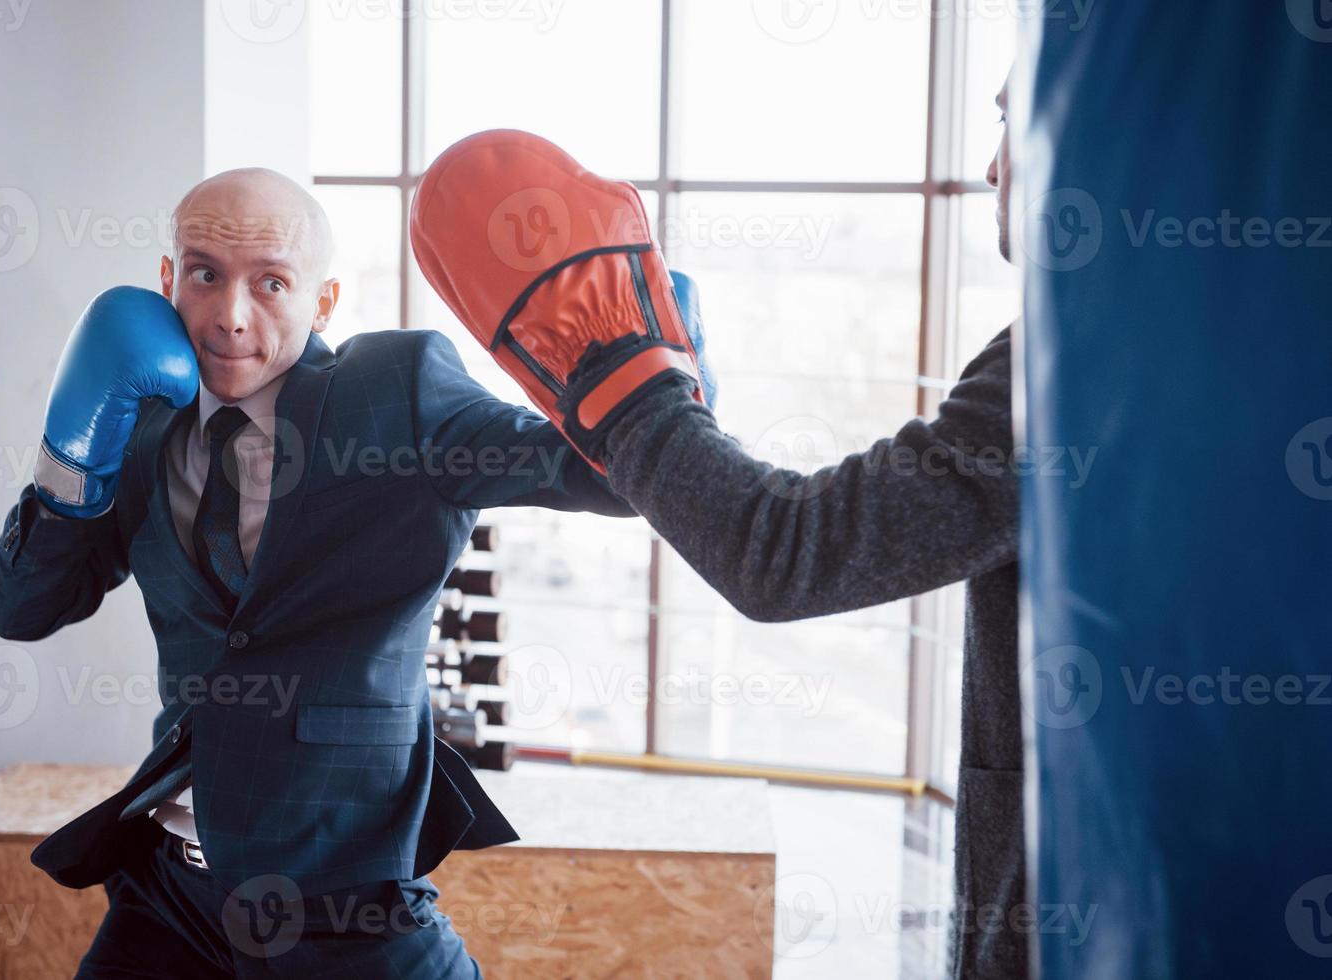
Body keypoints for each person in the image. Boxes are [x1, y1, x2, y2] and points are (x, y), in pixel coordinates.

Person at [424, 79, 1027, 978]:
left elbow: (787, 556)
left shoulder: (1082, 362)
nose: (987, 167)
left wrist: (623, 377)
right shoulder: (1206, 329)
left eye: (1013, 120)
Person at [0, 167, 642, 978]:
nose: (230, 316)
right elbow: (24, 610)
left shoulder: (394, 396)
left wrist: (644, 378)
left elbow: (597, 476)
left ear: (322, 302)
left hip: (340, 893)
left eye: (271, 283)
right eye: (204, 275)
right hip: (170, 888)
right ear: (166, 280)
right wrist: (68, 463)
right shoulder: (143, 423)